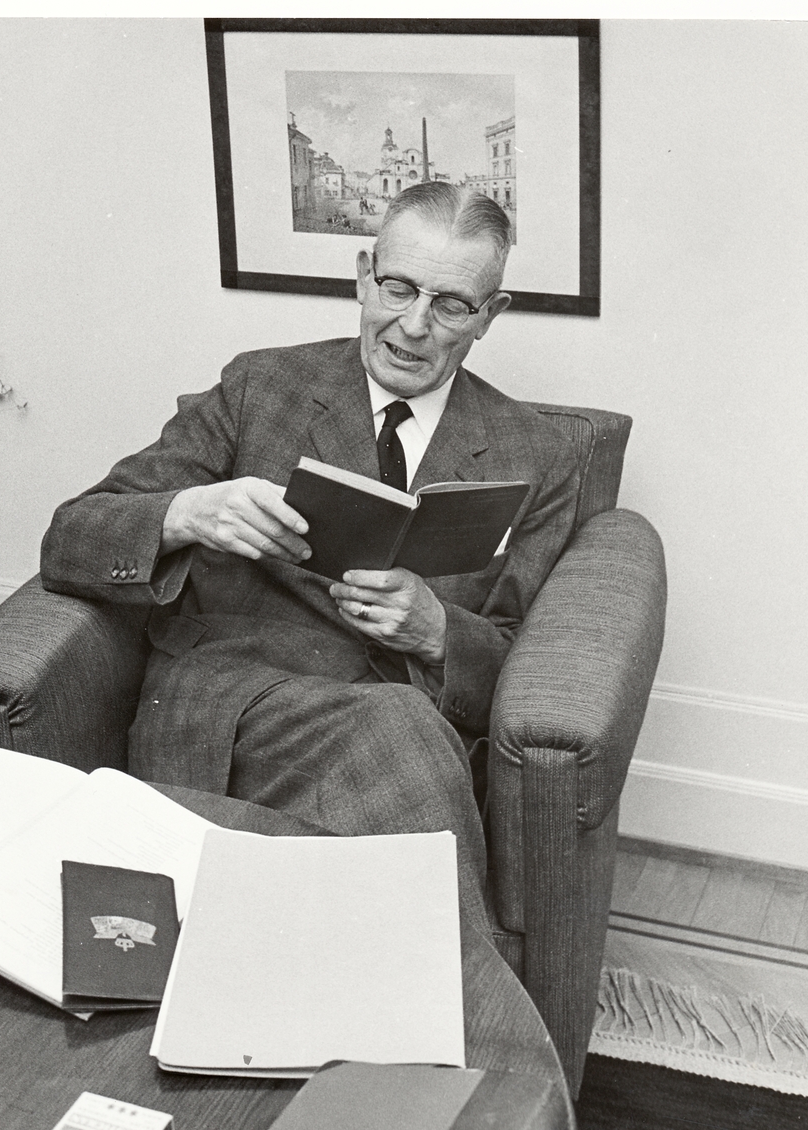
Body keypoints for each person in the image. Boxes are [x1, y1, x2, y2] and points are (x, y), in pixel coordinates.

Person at [40, 183, 580, 935]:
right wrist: (189, 512)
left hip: (410, 729)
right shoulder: (261, 388)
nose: (414, 325)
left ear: (490, 315)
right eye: (397, 288)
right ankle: (465, 1004)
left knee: (379, 800)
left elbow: (527, 655)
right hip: (235, 707)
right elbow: (71, 538)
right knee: (398, 738)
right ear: (363, 276)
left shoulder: (536, 455)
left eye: (452, 305)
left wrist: (437, 632)